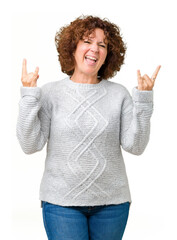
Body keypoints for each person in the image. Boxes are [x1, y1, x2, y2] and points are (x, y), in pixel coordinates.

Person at [16, 15, 161, 240]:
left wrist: (143, 100)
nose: (95, 49)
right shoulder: (49, 93)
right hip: (61, 203)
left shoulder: (119, 94)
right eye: (87, 41)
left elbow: (136, 146)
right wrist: (28, 97)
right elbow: (29, 144)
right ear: (73, 48)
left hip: (112, 204)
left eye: (102, 45)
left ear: (107, 55)